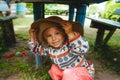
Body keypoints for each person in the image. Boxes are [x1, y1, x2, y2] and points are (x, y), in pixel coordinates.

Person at [28, 18, 95, 80]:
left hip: (82, 73)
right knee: (54, 69)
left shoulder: (69, 45)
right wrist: (32, 37)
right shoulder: (50, 49)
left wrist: (70, 33)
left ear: (64, 34)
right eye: (49, 36)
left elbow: (83, 49)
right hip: (66, 73)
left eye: (57, 33)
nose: (54, 38)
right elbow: (36, 50)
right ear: (46, 40)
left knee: (68, 73)